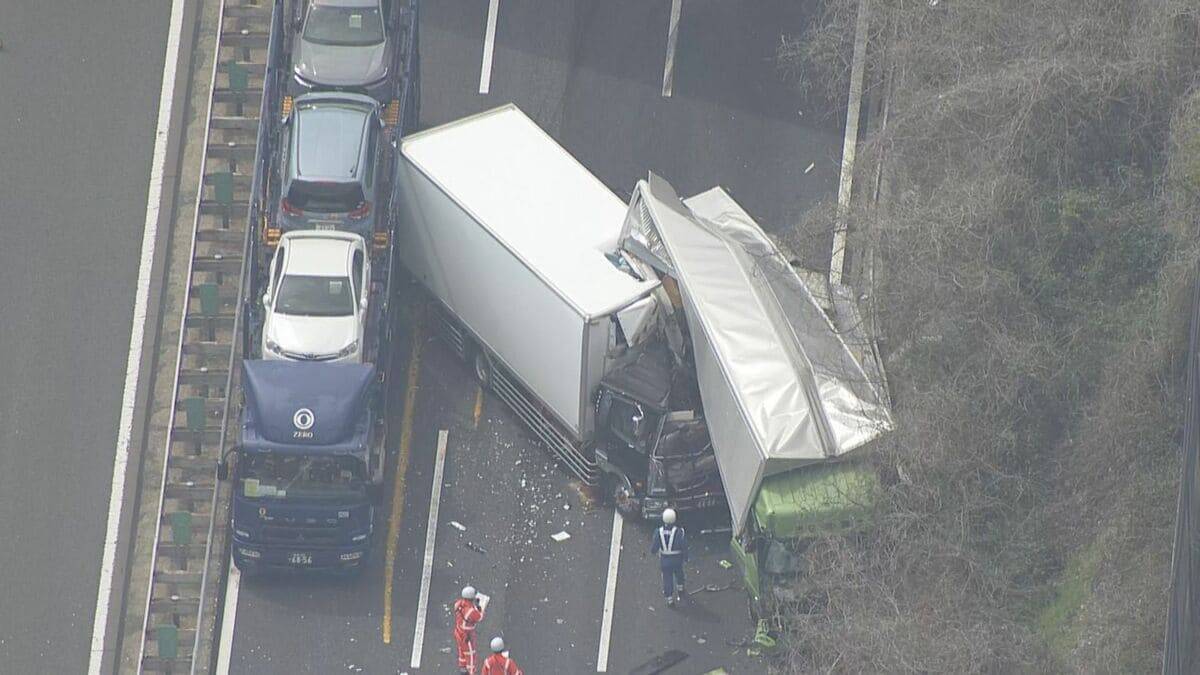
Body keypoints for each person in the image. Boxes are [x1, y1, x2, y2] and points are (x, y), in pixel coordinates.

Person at [650, 508, 688, 606]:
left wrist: (653, 551)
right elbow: (683, 546)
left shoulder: (658, 531)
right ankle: (681, 588)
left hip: (665, 560)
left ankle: (670, 599)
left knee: (667, 578)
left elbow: (654, 547)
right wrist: (686, 557)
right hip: (677, 559)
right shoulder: (679, 532)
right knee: (679, 573)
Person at [453, 585, 485, 675]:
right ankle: (471, 672)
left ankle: (462, 667)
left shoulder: (459, 604)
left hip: (458, 632)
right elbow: (479, 617)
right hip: (467, 635)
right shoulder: (470, 611)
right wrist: (480, 608)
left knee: (461, 651)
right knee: (470, 654)